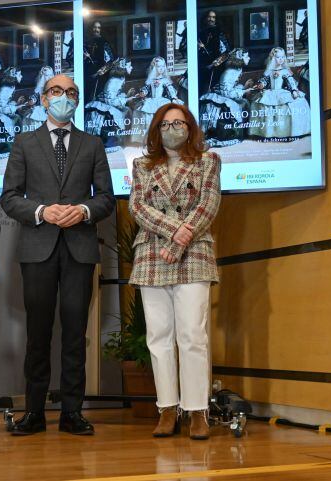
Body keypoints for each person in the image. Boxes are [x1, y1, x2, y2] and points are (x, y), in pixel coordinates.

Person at [1, 74, 115, 436]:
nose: (63, 97)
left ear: (77, 101)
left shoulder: (93, 143)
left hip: (80, 249)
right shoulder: (24, 142)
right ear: (43, 99)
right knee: (38, 334)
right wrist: (41, 212)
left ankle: (72, 413)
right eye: (56, 91)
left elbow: (106, 198)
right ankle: (33, 413)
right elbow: (10, 197)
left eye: (71, 93)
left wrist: (82, 211)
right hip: (38, 249)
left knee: (74, 334)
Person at [128, 103, 220, 440]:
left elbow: (209, 203)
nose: (172, 128)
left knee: (193, 336)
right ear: (156, 129)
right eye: (165, 124)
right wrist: (174, 231)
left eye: (179, 123)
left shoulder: (208, 160)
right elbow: (137, 206)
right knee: (158, 337)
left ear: (190, 127)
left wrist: (182, 239)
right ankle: (167, 409)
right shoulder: (142, 165)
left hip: (194, 253)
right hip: (152, 255)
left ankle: (198, 411)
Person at [248, 47, 311, 141]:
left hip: (283, 91)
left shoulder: (285, 71)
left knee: (296, 103)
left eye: (282, 57)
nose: (281, 59)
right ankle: (269, 132)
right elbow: (265, 80)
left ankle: (291, 131)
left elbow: (290, 81)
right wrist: (261, 84)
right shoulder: (269, 71)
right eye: (278, 57)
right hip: (271, 92)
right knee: (261, 104)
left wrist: (294, 90)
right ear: (273, 58)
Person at [199, 48, 255, 147]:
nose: (249, 58)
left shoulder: (238, 69)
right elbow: (227, 93)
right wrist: (244, 91)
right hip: (221, 96)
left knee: (245, 102)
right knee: (240, 104)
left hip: (226, 93)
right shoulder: (231, 71)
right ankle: (233, 134)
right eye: (246, 56)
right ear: (240, 58)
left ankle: (246, 131)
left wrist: (243, 88)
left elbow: (231, 86)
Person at [131, 56, 183, 144]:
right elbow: (146, 89)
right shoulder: (150, 80)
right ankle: (149, 138)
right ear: (154, 68)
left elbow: (170, 90)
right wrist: (143, 92)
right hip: (152, 100)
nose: (161, 69)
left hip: (162, 101)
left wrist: (174, 98)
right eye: (159, 67)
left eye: (163, 66)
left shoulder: (165, 80)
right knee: (146, 114)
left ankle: (164, 138)